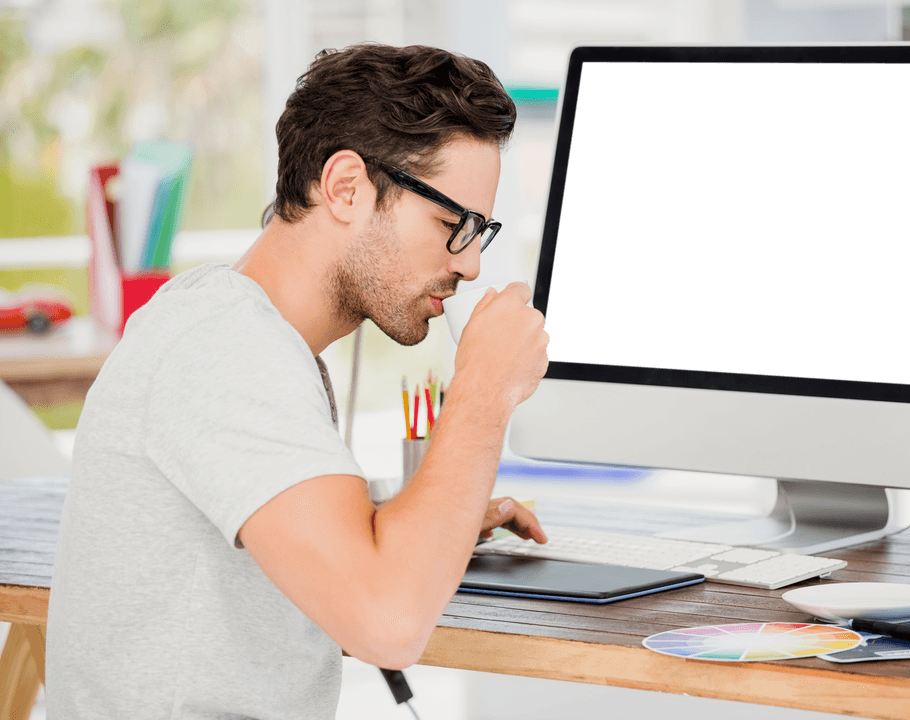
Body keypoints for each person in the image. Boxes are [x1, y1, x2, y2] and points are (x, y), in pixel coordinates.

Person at [46, 43, 550, 718]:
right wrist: (484, 385)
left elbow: (318, 570)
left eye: (478, 232)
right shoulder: (226, 349)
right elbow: (388, 623)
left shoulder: (236, 331)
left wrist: (431, 526)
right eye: (450, 223)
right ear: (345, 187)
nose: (469, 266)